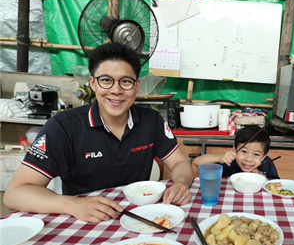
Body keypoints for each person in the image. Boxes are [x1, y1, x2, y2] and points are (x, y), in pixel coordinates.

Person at [4, 43, 194, 223]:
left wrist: (181, 183)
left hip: (138, 218)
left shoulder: (151, 121)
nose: (116, 90)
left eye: (126, 81)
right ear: (93, 84)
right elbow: (15, 193)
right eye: (106, 81)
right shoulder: (62, 127)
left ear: (136, 86)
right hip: (82, 220)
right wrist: (73, 204)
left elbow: (180, 163)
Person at [194, 124, 280, 178]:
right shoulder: (230, 161)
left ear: (264, 156)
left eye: (256, 154)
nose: (248, 159)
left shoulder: (267, 163)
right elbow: (197, 162)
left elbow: (276, 185)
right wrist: (219, 157)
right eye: (244, 151)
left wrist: (262, 178)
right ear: (235, 150)